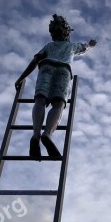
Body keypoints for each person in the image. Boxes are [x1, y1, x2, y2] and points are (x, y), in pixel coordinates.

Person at [15, 14, 97, 160]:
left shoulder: (48, 46)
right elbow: (84, 47)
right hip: (63, 71)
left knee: (40, 100)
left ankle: (36, 135)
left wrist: (21, 77)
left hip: (46, 68)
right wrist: (90, 44)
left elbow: (35, 61)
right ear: (67, 33)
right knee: (58, 104)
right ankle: (47, 133)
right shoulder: (72, 46)